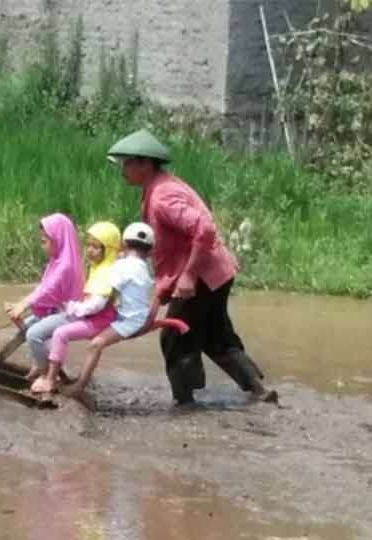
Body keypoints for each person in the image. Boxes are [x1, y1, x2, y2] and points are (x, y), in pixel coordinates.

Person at [107, 129, 277, 406]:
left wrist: (187, 276)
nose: (123, 170)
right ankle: (259, 391)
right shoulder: (160, 187)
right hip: (215, 273)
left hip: (202, 277)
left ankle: (185, 402)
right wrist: (160, 295)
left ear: (145, 164)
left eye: (127, 163)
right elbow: (170, 250)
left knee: (174, 337)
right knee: (214, 335)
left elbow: (205, 228)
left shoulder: (162, 196)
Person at [31, 223, 154, 396]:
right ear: (149, 252)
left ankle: (62, 382)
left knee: (91, 343)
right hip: (119, 315)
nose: (89, 250)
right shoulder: (133, 265)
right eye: (88, 245)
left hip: (121, 320)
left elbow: (98, 302)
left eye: (95, 246)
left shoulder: (117, 268)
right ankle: (47, 371)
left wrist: (74, 308)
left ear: (123, 246)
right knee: (51, 329)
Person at [3, 213, 84, 380]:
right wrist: (20, 304)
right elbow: (43, 287)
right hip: (57, 311)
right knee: (26, 326)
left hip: (70, 313)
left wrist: (23, 305)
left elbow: (48, 290)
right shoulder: (57, 261)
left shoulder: (66, 265)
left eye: (44, 241)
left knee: (33, 334)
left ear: (58, 239)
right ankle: (42, 364)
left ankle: (45, 374)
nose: (42, 246)